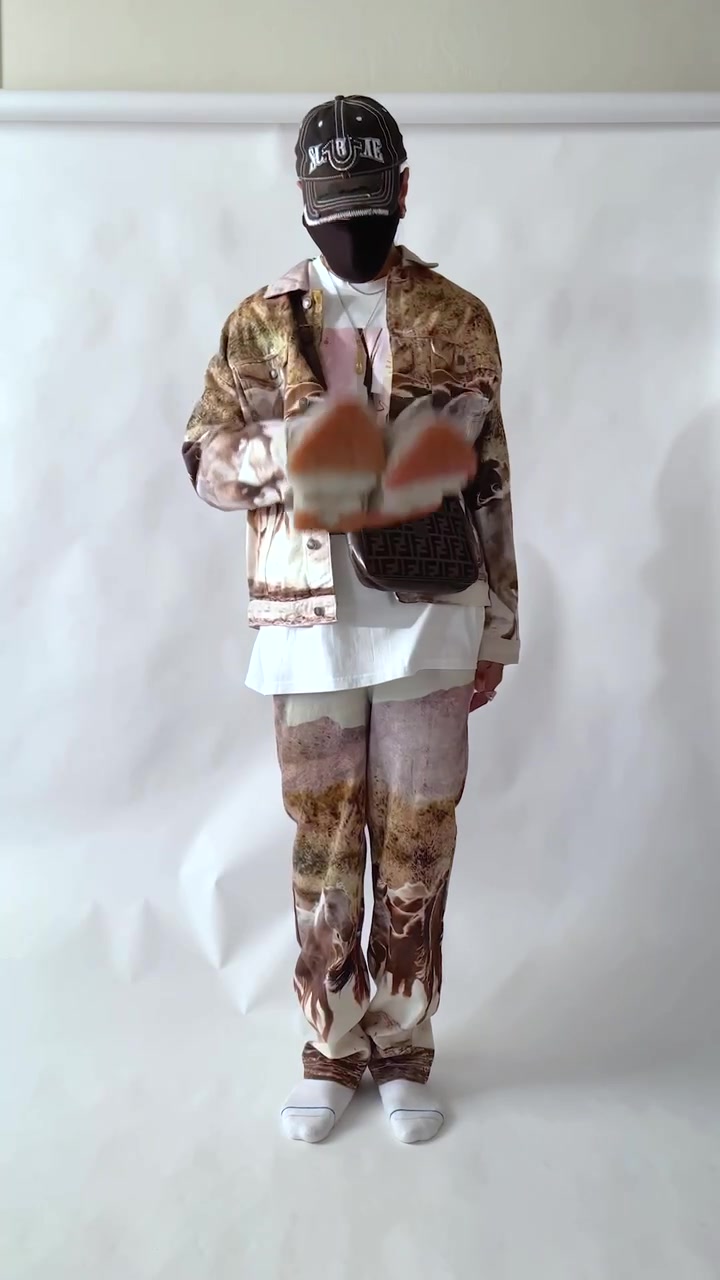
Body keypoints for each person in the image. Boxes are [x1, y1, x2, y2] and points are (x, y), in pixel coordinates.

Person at [182, 95, 519, 1144]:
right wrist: (290, 452)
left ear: (404, 190)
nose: (353, 224)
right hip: (306, 629)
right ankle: (331, 1048)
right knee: (323, 853)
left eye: (369, 201)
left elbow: (491, 480)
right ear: (302, 201)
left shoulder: (458, 318)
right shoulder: (259, 323)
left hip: (434, 619)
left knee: (418, 849)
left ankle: (405, 1049)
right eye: (335, 206)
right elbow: (201, 458)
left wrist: (499, 628)